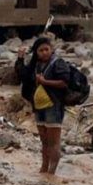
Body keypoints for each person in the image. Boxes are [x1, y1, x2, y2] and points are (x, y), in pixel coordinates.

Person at [15, 38, 70, 175]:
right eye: (41, 50)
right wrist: (20, 58)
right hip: (39, 107)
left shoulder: (58, 63)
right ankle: (44, 168)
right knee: (44, 140)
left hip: (54, 106)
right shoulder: (36, 65)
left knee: (54, 142)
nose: (45, 53)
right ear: (36, 52)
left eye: (47, 49)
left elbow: (64, 83)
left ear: (51, 49)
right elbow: (23, 75)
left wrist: (45, 82)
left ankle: (52, 172)